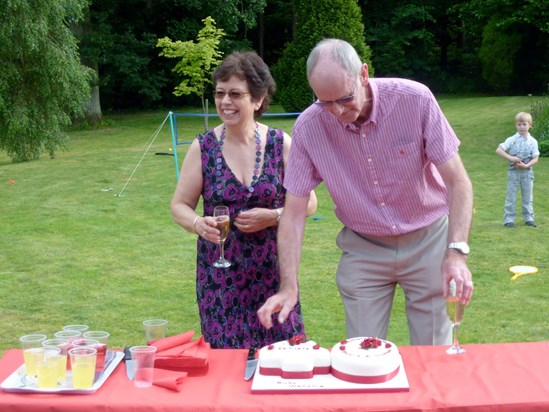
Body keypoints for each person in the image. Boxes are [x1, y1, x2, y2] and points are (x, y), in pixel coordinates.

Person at [257, 39, 474, 346]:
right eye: (325, 102)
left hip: (428, 240)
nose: (337, 111)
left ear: (363, 74)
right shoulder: (309, 127)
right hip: (364, 247)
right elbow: (293, 214)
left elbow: (459, 182)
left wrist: (456, 253)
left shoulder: (415, 100)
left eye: (344, 99)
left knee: (433, 355)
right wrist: (288, 285)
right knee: (360, 356)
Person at [170, 51, 317, 349]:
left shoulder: (280, 144)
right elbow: (179, 206)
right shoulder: (204, 148)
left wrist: (274, 216)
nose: (225, 102)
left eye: (236, 94)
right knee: (227, 364)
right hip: (220, 278)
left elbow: (310, 202)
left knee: (283, 356)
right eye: (220, 93)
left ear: (258, 99)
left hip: (273, 272)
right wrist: (199, 223)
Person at [495, 112, 539, 228]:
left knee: (527, 197)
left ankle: (529, 218)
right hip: (513, 173)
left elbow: (536, 158)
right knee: (511, 197)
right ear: (516, 125)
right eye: (519, 124)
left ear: (530, 125)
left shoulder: (533, 141)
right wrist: (511, 158)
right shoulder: (512, 139)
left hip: (527, 173)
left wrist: (526, 165)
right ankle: (509, 220)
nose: (522, 127)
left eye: (524, 124)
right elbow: (499, 150)